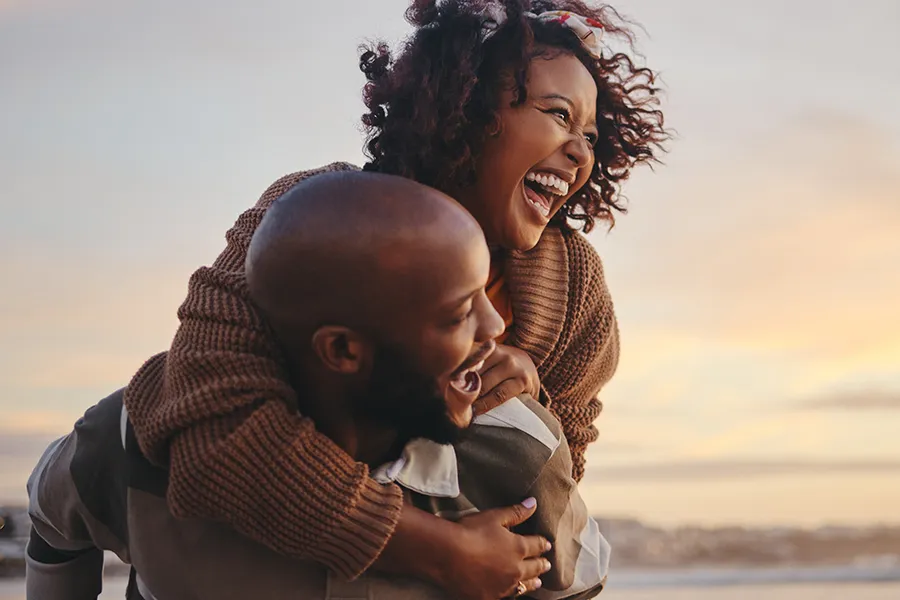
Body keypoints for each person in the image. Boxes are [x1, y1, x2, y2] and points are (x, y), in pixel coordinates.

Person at [123, 2, 666, 599]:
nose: (581, 152)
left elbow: (557, 480)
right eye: (557, 115)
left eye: (589, 136)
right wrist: (439, 551)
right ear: (467, 109)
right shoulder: (315, 216)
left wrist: (531, 398)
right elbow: (214, 427)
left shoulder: (574, 286)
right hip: (248, 557)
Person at [26, 172, 609, 600]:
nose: (499, 327)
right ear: (343, 349)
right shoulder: (139, 438)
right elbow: (52, 518)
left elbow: (576, 583)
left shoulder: (518, 453)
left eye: (490, 291)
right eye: (460, 313)